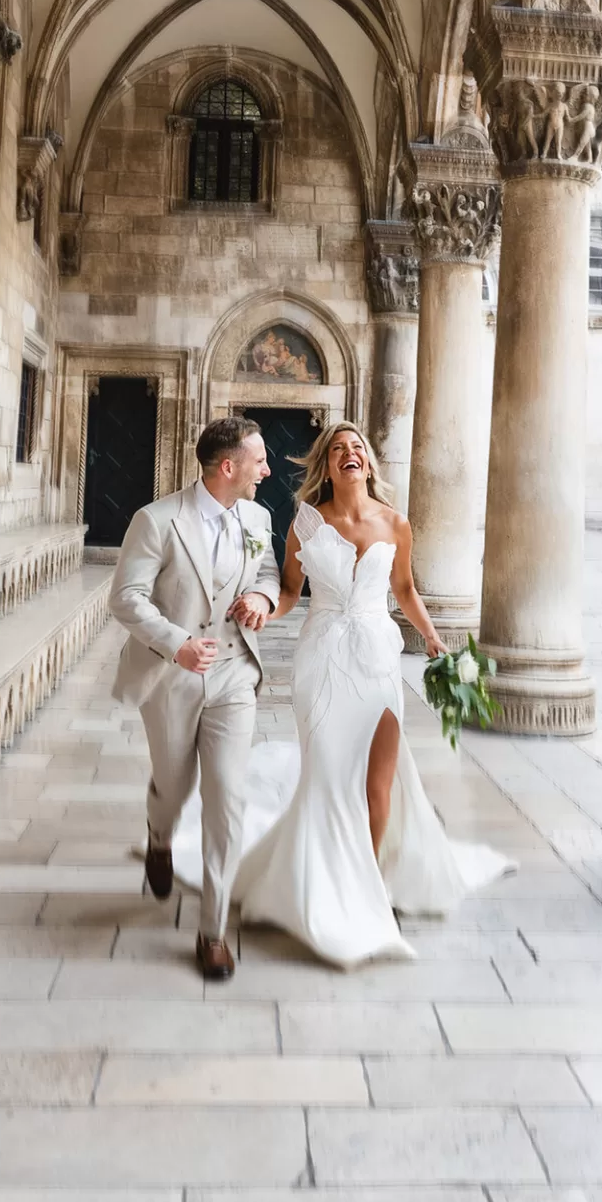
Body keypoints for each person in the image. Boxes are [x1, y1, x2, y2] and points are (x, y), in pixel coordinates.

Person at [171, 421, 516, 967]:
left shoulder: (396, 524)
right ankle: (326, 884)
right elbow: (289, 591)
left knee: (381, 785)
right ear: (326, 467)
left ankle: (371, 882)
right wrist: (264, 608)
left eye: (357, 447)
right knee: (329, 777)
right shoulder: (306, 523)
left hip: (378, 658)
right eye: (338, 449)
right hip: (323, 661)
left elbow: (403, 589)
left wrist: (432, 638)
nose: (349, 453)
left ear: (369, 464)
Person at [108, 417, 280, 981]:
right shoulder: (156, 521)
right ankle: (159, 837)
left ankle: (212, 930)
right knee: (174, 784)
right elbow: (126, 599)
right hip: (172, 679)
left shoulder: (259, 518)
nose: (267, 469)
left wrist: (260, 594)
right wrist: (178, 643)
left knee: (226, 798)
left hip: (235, 677)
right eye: (259, 460)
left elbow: (272, 572)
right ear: (228, 467)